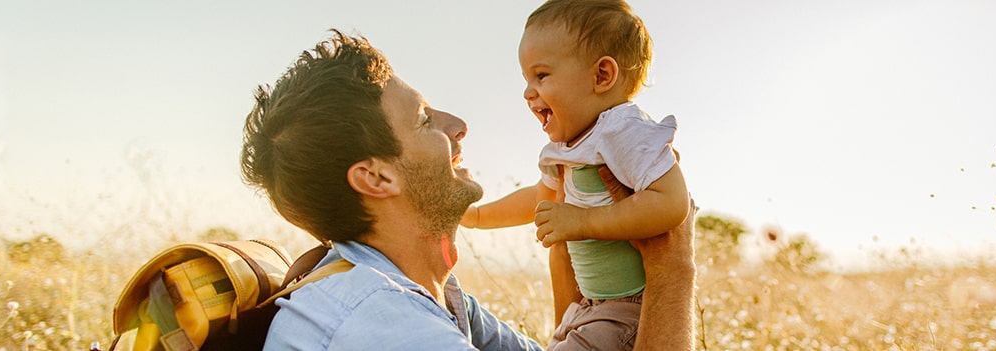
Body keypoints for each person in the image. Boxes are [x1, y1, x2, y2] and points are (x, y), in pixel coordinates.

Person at [242, 30, 695, 350]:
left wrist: (578, 279)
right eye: (424, 120)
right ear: (376, 178)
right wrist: (672, 266)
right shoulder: (381, 323)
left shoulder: (434, 296)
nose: (458, 126)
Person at [458, 1, 691, 350]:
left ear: (601, 76)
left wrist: (584, 222)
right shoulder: (569, 146)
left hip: (628, 311)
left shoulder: (625, 130)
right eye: (526, 79)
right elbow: (541, 197)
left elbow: (672, 204)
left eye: (541, 75)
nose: (527, 92)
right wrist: (477, 217)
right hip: (589, 307)